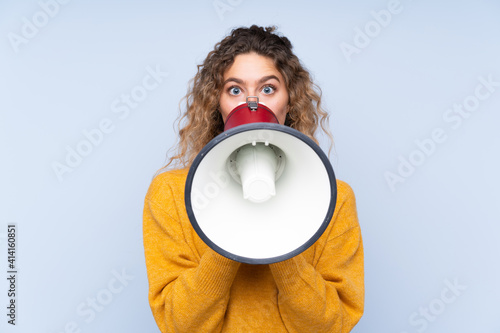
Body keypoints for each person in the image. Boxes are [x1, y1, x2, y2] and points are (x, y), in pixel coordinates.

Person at [143, 25, 364, 333]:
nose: (252, 103)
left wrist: (280, 238)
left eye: (268, 89)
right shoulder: (170, 194)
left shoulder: (333, 199)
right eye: (235, 90)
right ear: (216, 104)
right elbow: (179, 325)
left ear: (290, 101)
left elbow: (331, 326)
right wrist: (229, 235)